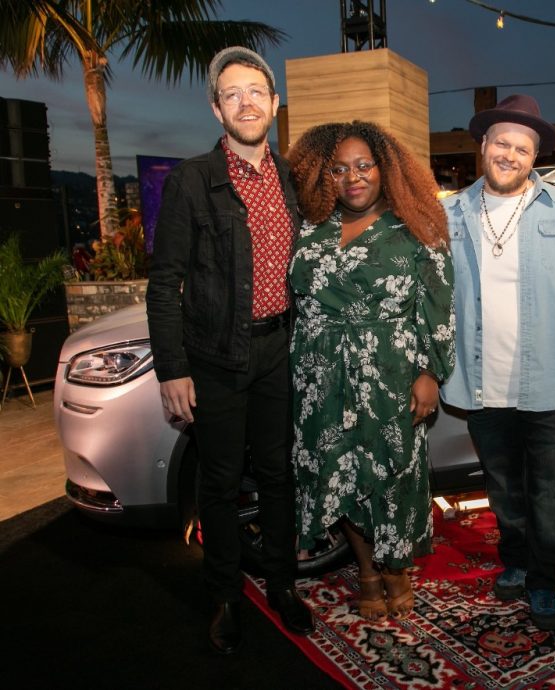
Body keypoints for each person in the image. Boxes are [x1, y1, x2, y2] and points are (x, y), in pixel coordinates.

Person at [146, 46, 314, 655]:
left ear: (274, 102)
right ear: (216, 108)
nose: (246, 102)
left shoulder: (292, 177)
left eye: (256, 91)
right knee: (218, 484)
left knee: (278, 475)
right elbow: (164, 282)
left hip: (279, 351)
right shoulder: (194, 179)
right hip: (216, 357)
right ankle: (224, 595)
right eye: (232, 93)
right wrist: (173, 369)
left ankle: (284, 586)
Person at [285, 121, 455, 623]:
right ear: (323, 174)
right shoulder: (310, 227)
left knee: (392, 477)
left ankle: (396, 569)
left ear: (386, 169)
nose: (352, 178)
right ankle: (366, 572)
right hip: (319, 376)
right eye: (339, 169)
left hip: (389, 374)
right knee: (339, 476)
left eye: (364, 166)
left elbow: (440, 306)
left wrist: (430, 373)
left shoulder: (417, 228)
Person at [440, 94, 555, 632]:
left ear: (535, 158)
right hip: (480, 383)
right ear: (483, 146)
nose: (510, 154)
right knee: (503, 484)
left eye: (522, 148)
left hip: (551, 381)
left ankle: (545, 581)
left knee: (550, 487)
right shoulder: (449, 213)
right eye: (501, 142)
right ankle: (517, 561)